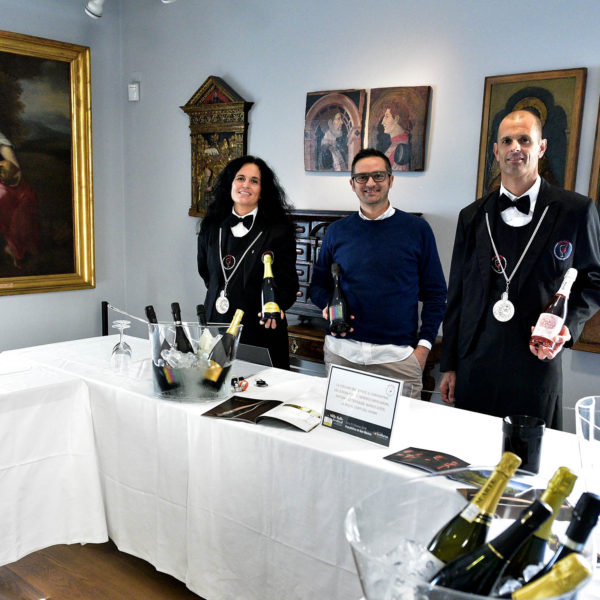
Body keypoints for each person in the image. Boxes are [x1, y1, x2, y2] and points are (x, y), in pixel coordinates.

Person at [440, 109, 600, 429]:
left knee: (529, 455)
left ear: (541, 147)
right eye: (507, 141)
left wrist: (567, 327)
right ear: (496, 150)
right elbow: (457, 293)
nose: (515, 147)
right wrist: (450, 365)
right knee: (469, 451)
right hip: (475, 365)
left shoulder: (576, 210)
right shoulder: (472, 216)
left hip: (536, 364)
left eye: (525, 140)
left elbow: (595, 280)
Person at [308, 148, 447, 398]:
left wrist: (423, 348)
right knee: (339, 424)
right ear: (352, 184)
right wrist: (327, 305)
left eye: (378, 176)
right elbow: (317, 286)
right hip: (342, 355)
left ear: (390, 180)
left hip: (397, 360)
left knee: (402, 425)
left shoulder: (417, 230)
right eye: (362, 177)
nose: (370, 183)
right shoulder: (337, 232)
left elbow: (436, 294)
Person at [197, 155, 299, 370]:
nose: (246, 185)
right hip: (216, 325)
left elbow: (288, 284)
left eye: (254, 181)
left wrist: (277, 305)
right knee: (214, 385)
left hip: (259, 328)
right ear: (230, 184)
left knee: (260, 389)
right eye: (240, 178)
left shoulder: (279, 230)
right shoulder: (211, 226)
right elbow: (206, 273)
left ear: (263, 190)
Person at [0, 131, 40, 268]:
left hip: (6, 180)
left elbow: (14, 167)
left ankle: (16, 248)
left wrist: (5, 171)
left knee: (25, 198)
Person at [378, 101, 412, 171]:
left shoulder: (402, 148)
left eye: (387, 117)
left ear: (396, 119)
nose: (382, 122)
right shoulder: (395, 144)